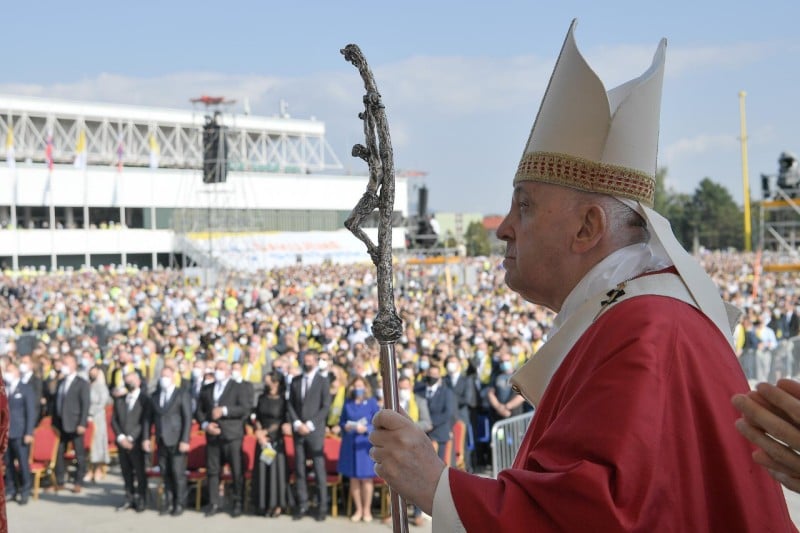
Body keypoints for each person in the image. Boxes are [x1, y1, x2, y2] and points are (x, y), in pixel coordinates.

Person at [368, 21, 796, 531]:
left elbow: (598, 516)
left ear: (588, 226)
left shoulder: (645, 330)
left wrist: (436, 485)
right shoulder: (637, 316)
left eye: (524, 206)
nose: (504, 228)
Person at [195, 360, 250, 518]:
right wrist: (205, 425)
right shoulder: (207, 388)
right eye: (216, 368)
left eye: (221, 369)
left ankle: (238, 501)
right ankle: (214, 502)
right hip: (213, 435)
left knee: (236, 469)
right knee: (213, 470)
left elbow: (244, 408)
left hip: (232, 435)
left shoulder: (239, 387)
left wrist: (225, 410)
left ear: (227, 371)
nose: (217, 371)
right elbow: (199, 411)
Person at [287, 349, 331, 522]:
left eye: (310, 359)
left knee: (319, 470)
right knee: (300, 469)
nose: (307, 362)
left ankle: (322, 507)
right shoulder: (296, 380)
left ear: (316, 360)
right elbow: (290, 404)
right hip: (298, 431)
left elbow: (325, 406)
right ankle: (303, 504)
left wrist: (311, 424)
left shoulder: (323, 381)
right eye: (305, 359)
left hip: (315, 431)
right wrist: (297, 423)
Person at [338, 375, 380, 523]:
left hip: (365, 445)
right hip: (350, 444)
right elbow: (341, 421)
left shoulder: (372, 403)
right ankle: (359, 509)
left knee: (366, 479)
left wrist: (367, 428)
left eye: (361, 386)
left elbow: (378, 422)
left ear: (366, 387)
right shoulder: (348, 403)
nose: (358, 389)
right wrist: (346, 426)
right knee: (354, 478)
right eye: (356, 386)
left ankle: (367, 510)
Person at [111, 370, 151, 512]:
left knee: (140, 473)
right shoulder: (120, 399)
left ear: (139, 381)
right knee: (126, 472)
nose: (129, 383)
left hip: (136, 442)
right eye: (127, 380)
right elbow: (114, 420)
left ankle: (141, 499)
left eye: (132, 380)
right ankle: (129, 497)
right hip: (122, 442)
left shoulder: (145, 399)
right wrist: (121, 437)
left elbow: (144, 421)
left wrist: (131, 438)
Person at [252, 370, 289, 517]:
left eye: (270, 381)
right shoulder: (262, 397)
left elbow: (282, 420)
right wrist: (259, 432)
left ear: (277, 382)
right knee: (262, 472)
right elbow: (257, 416)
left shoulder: (283, 400)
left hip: (275, 440)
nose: (268, 384)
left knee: (276, 474)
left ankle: (277, 505)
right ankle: (263, 504)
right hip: (262, 440)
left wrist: (266, 433)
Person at [52, 353, 90, 494]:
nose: (64, 366)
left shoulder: (81, 383)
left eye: (67, 363)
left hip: (75, 424)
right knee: (59, 453)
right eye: (63, 363)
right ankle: (60, 480)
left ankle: (78, 481)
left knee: (79, 454)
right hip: (61, 424)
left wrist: (82, 423)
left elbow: (85, 405)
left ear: (74, 365)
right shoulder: (61, 382)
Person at [3, 362, 35, 504]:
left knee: (22, 463)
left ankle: (25, 490)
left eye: (9, 370)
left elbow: (31, 412)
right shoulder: (5, 388)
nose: (6, 373)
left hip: (20, 433)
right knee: (8, 463)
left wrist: (29, 432)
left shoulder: (25, 388)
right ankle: (11, 489)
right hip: (6, 433)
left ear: (16, 371)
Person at [86, 364, 110, 483]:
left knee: (98, 443)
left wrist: (91, 412)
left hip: (98, 418)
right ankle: (90, 469)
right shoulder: (88, 386)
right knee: (90, 444)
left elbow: (102, 403)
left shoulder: (101, 387)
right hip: (88, 419)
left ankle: (98, 469)